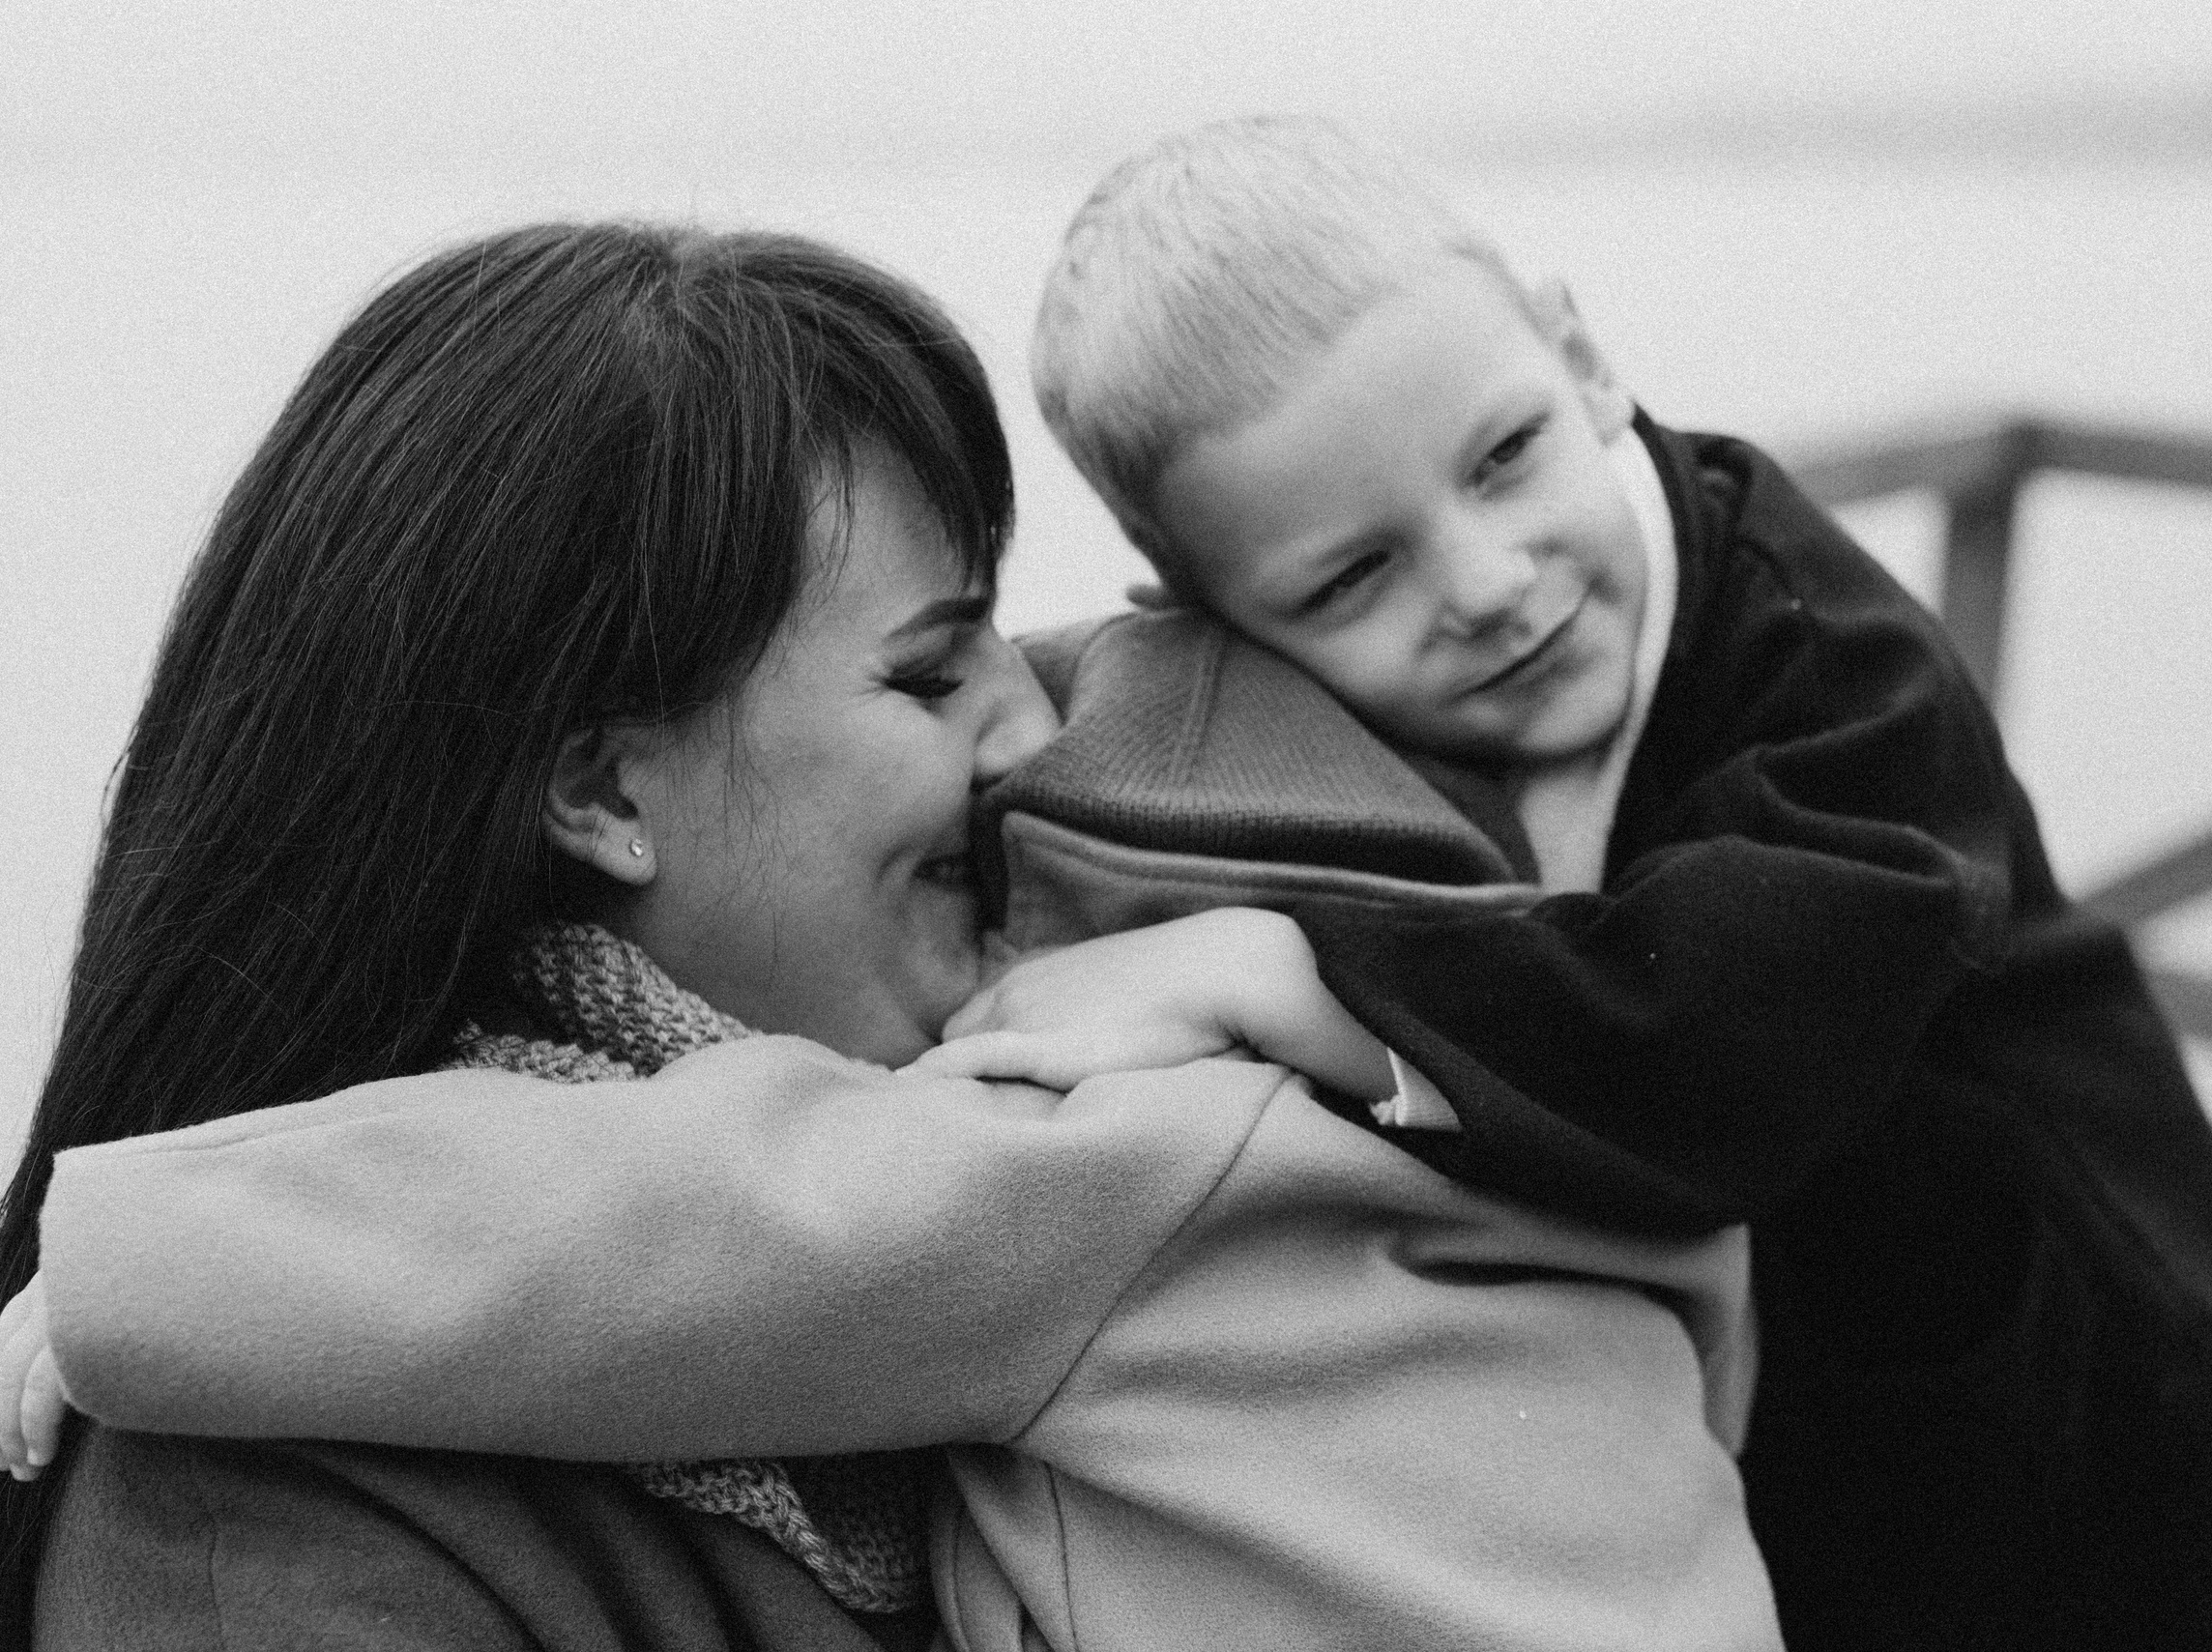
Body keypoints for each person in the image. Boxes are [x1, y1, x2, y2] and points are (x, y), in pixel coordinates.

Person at [0, 220, 1778, 1652]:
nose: (1027, 726)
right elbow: (677, 1218)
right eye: (931, 671)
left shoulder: (1080, 1122)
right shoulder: (273, 1514)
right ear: (601, 793)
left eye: (1012, 638)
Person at [960, 116, 2212, 1649]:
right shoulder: (1324, 708)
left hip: (2114, 1431)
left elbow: (1727, 1030)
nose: (1490, 582)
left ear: (1579, 356)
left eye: (1505, 456)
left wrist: (1287, 981)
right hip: (1804, 1448)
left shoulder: (1835, 659)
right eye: (1352, 578)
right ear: (1208, 614)